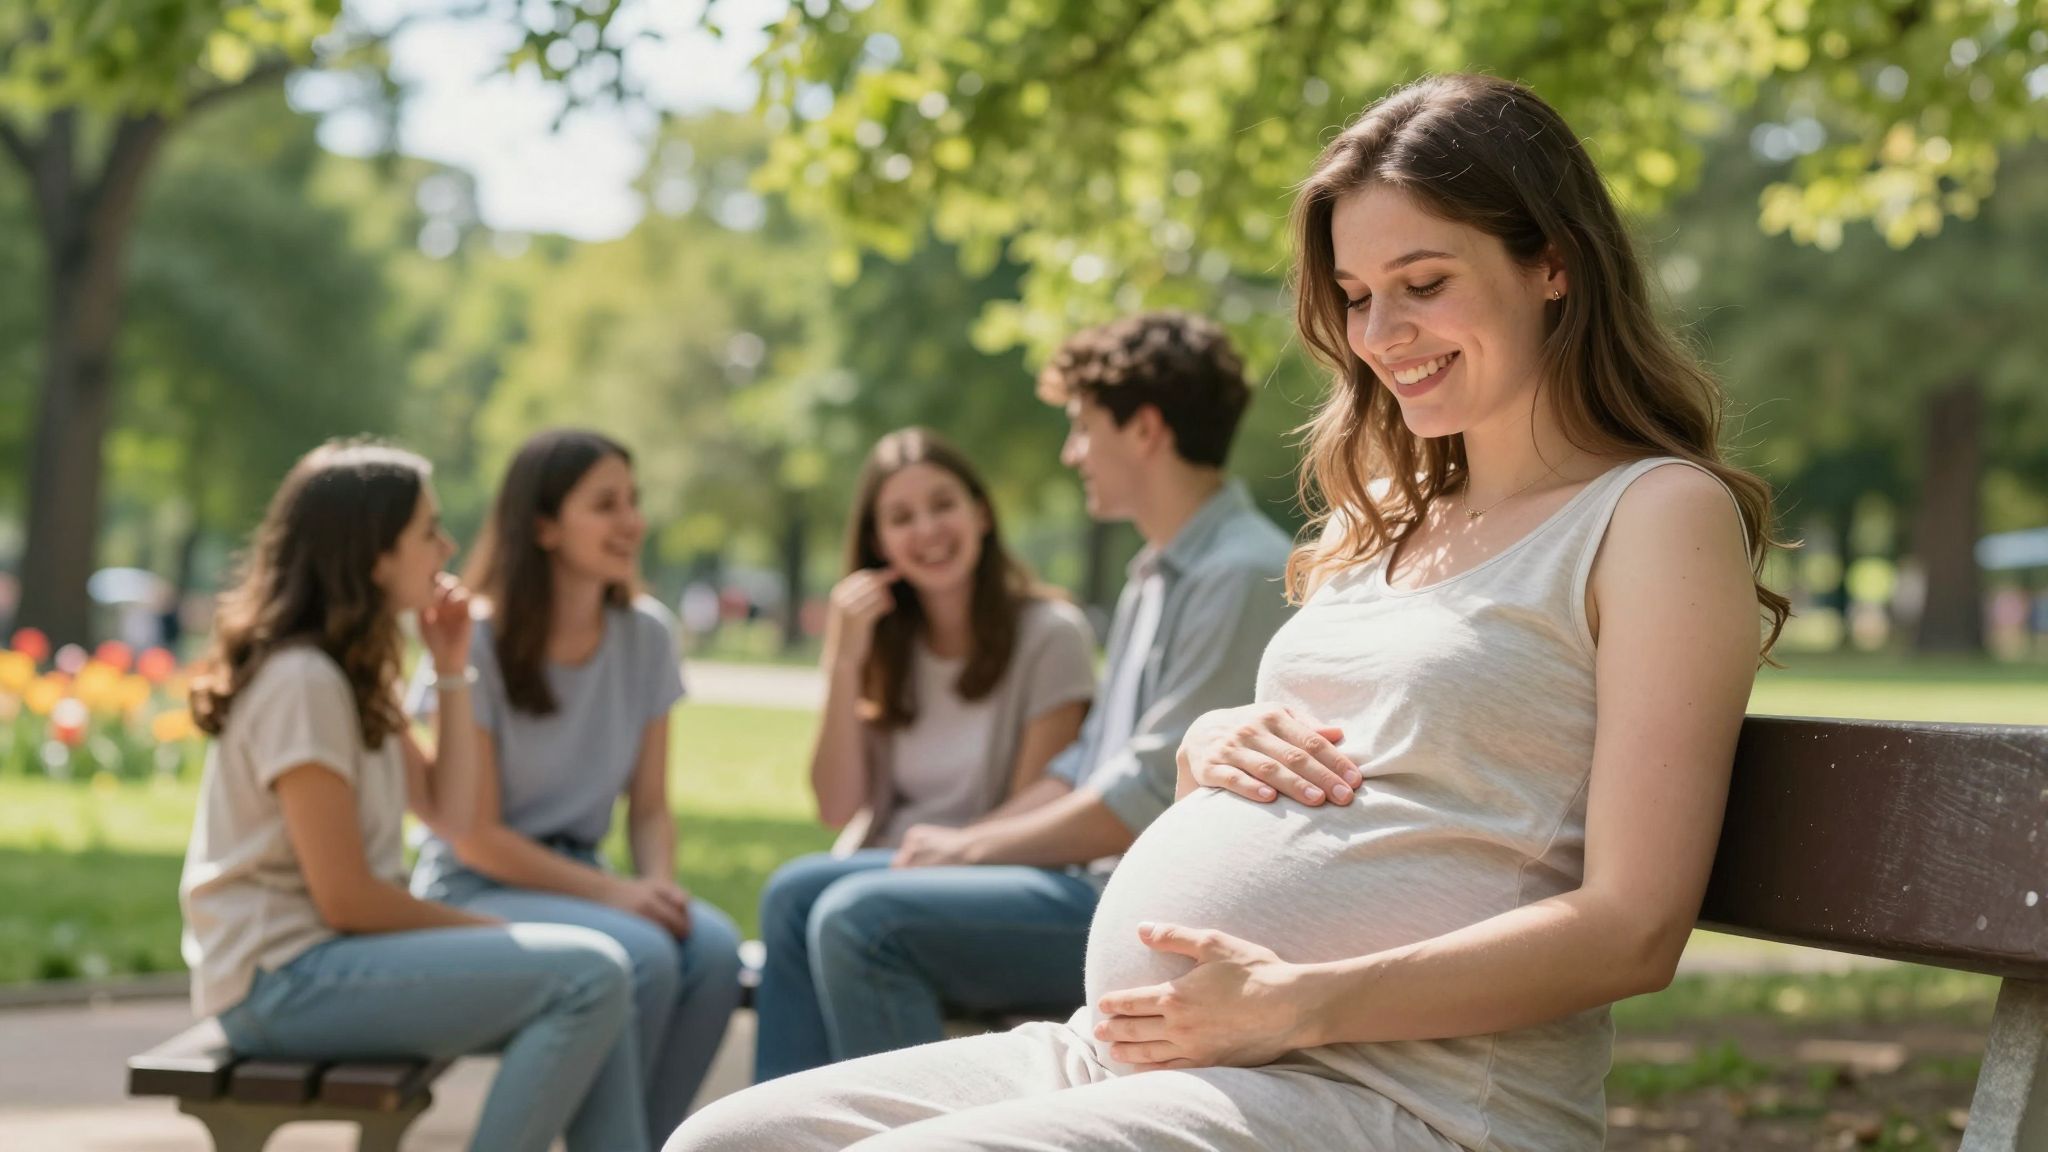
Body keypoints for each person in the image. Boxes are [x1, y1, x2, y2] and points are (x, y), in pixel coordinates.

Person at [668, 73, 1788, 1152]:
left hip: (1407, 1096)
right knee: (728, 1137)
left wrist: (1298, 1003)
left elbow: (1633, 928)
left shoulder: (1649, 517)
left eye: (1424, 281)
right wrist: (1209, 747)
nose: (1381, 332)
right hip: (1149, 1054)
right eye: (1355, 296)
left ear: (1550, 263)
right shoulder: (1386, 517)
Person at [743, 309, 1296, 1084]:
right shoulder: (1154, 576)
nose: (1073, 452)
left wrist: (969, 848)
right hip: (1078, 883)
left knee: (860, 922)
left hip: (1132, 907)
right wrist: (953, 847)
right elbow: (1085, 766)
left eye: (1081, 428)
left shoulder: (1235, 576)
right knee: (799, 892)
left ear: (1143, 430)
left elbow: (1144, 798)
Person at [180, 440, 641, 1152]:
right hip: (280, 983)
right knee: (590, 974)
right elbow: (347, 899)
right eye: (428, 531)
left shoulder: (355, 673)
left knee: (600, 975)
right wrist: (499, 937)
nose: (448, 546)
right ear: (373, 555)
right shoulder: (302, 682)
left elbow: (451, 818)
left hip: (326, 966)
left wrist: (451, 670)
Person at [409, 428, 743, 1138]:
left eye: (633, 501)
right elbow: (475, 837)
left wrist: (659, 885)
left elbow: (650, 807)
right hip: (478, 885)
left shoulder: (647, 634)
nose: (632, 522)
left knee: (711, 950)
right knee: (645, 954)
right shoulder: (479, 640)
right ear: (544, 526)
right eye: (605, 504)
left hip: (585, 879)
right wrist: (621, 896)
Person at [754, 428, 1098, 1080]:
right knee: (791, 891)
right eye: (901, 518)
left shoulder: (1049, 635)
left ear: (982, 513)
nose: (927, 530)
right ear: (878, 543)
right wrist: (844, 659)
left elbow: (1040, 804)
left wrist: (943, 851)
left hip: (994, 872)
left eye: (942, 505)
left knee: (807, 896)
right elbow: (837, 804)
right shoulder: (885, 644)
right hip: (895, 865)